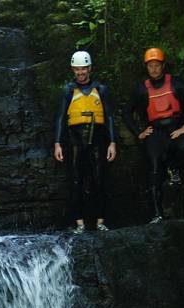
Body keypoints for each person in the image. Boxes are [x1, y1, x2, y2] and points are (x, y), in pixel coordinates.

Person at [124, 47, 184, 223]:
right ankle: (157, 214)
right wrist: (139, 133)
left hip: (175, 127)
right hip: (156, 132)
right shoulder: (141, 89)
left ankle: (173, 168)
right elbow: (126, 112)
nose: (154, 69)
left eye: (157, 65)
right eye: (150, 65)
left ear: (163, 65)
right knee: (153, 169)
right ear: (146, 67)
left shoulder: (175, 83)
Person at [53, 50, 118, 234]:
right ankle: (79, 223)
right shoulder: (68, 90)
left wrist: (112, 142)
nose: (81, 73)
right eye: (77, 69)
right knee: (76, 180)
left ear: (89, 68)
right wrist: (58, 143)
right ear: (73, 70)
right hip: (75, 138)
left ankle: (100, 221)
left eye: (84, 69)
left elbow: (110, 117)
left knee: (99, 179)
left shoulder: (101, 90)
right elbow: (60, 118)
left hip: (97, 137)